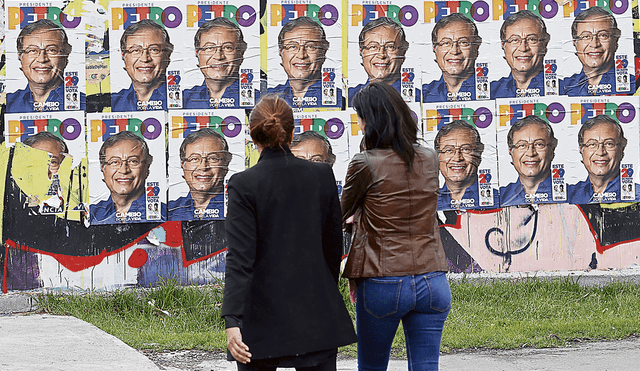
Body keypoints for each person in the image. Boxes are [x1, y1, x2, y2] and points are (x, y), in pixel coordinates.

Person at [221, 96, 357, 370]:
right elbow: (333, 247)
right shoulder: (321, 176)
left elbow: (240, 258)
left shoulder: (244, 184)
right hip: (316, 313)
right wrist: (326, 293)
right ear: (292, 133)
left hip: (261, 318)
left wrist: (232, 319)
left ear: (252, 135)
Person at [341, 83, 450, 370]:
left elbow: (340, 213)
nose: (359, 123)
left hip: (382, 279)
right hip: (433, 278)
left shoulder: (365, 163)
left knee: (372, 367)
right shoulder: (430, 157)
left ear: (371, 120)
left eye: (361, 117)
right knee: (426, 367)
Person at [7, 19, 85, 113]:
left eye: (51, 50)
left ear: (65, 57)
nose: (42, 59)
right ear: (20, 57)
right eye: (32, 50)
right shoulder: (7, 104)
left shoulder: (85, 105)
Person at [182, 18, 258, 109]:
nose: (218, 56)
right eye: (209, 48)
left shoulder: (260, 102)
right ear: (197, 54)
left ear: (241, 54)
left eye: (228, 48)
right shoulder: (183, 101)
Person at [90, 131, 165, 223]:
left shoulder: (166, 215)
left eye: (133, 161)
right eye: (114, 162)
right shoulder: (89, 215)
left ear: (147, 167)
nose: (124, 170)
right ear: (103, 168)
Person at [267, 17, 342, 108]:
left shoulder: (341, 100)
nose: (301, 55)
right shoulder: (265, 99)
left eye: (310, 46)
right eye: (292, 47)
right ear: (281, 53)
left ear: (323, 52)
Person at [568, 115, 640, 203]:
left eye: (609, 144)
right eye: (592, 144)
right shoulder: (568, 195)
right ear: (581, 150)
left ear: (622, 149)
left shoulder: (637, 195)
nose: (600, 152)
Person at [348, 17, 420, 104]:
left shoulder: (420, 98)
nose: (381, 55)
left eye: (390, 47)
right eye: (373, 47)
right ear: (362, 52)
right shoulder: (348, 98)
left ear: (403, 52)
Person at [564, 6, 634, 96]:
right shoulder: (564, 87)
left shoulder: (633, 84)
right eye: (586, 36)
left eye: (603, 35)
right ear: (575, 43)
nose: (594, 44)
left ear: (615, 41)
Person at [169, 129, 232, 220]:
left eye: (213, 158)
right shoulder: (169, 211)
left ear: (226, 164)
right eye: (194, 159)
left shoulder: (240, 207)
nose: (203, 167)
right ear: (183, 165)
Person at [434, 120, 497, 210]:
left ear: (479, 153)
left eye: (466, 149)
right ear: (437, 156)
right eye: (448, 150)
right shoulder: (427, 203)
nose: (457, 158)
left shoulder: (499, 200)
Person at [112, 20, 173, 111]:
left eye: (154, 50)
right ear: (124, 56)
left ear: (167, 56)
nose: (145, 59)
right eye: (135, 50)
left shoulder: (187, 101)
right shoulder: (111, 103)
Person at [423, 13, 482, 102]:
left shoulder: (494, 91)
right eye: (446, 43)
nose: (454, 51)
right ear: (435, 48)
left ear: (476, 48)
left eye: (463, 42)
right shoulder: (422, 95)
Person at [491, 10, 551, 98]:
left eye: (532, 39)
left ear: (544, 45)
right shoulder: (490, 92)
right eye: (514, 40)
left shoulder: (564, 89)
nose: (523, 48)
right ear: (504, 45)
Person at [500, 115, 557, 206]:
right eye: (522, 145)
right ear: (511, 152)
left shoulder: (573, 195)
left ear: (552, 150)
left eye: (539, 144)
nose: (530, 153)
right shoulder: (499, 197)